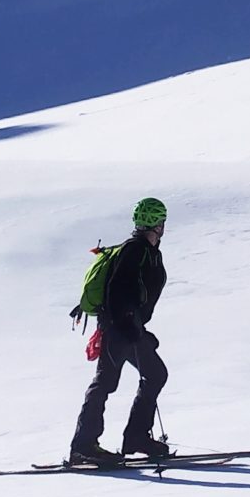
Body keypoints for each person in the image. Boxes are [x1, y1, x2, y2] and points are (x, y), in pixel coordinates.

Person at [70, 197, 171, 467]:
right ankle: (83, 446)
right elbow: (117, 292)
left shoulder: (147, 252)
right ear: (158, 224)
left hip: (131, 329)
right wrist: (127, 326)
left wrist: (137, 328)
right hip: (119, 329)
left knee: (155, 374)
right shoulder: (135, 251)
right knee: (105, 382)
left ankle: (136, 437)